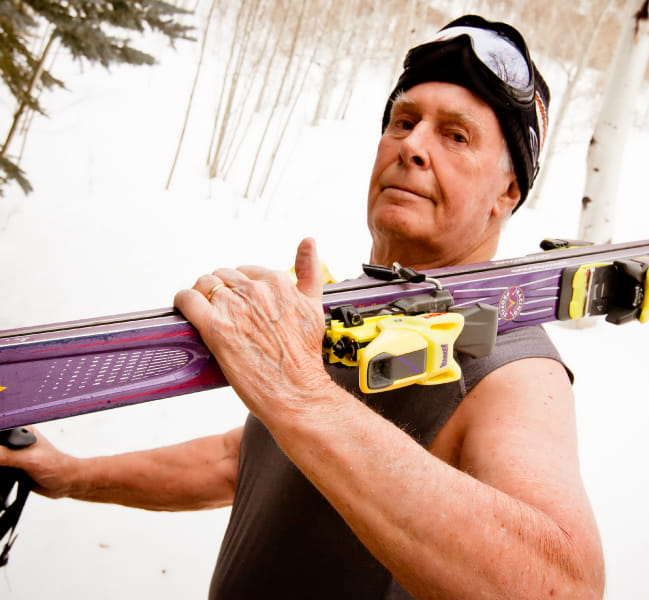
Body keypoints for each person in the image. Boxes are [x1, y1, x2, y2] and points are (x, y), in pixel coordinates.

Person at [0, 15, 604, 599]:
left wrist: (298, 394)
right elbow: (242, 462)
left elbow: (564, 587)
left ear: (508, 191)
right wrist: (70, 473)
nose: (413, 146)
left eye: (456, 135)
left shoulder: (515, 370)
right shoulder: (355, 318)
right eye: (403, 121)